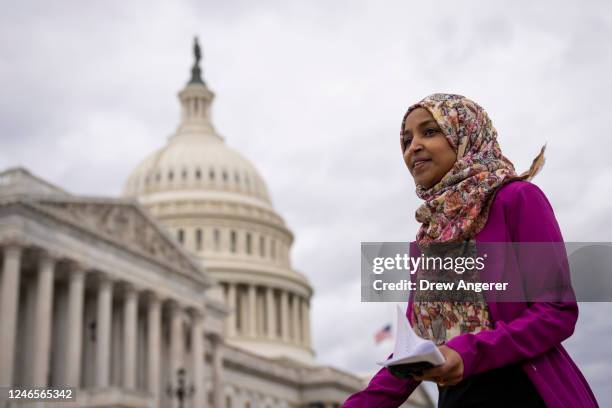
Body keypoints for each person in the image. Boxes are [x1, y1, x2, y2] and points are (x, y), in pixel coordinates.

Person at [343, 94, 599, 407]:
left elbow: (557, 312)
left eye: (430, 131)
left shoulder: (517, 199)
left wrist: (467, 353)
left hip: (525, 393)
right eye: (407, 140)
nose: (414, 146)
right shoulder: (428, 240)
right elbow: (417, 346)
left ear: (465, 134)